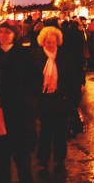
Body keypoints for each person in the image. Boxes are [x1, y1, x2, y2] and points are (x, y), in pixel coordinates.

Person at [0, 20, 38, 183]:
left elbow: (34, 81)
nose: (3, 35)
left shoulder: (24, 55)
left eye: (7, 32)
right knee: (0, 160)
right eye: (0, 32)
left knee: (22, 159)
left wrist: (28, 102)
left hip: (20, 113)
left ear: (14, 35)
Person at [32, 24, 76, 170]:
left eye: (53, 42)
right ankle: (43, 159)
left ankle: (59, 158)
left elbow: (72, 79)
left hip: (61, 99)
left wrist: (71, 99)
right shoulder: (36, 56)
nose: (51, 44)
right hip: (43, 99)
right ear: (43, 42)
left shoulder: (65, 56)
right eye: (48, 42)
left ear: (58, 42)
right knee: (45, 130)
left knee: (60, 130)